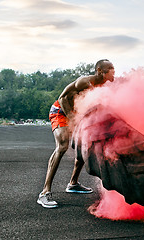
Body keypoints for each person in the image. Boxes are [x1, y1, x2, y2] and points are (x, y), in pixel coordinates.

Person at [37, 59, 115, 208]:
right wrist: (73, 119)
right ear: (100, 71)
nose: (113, 72)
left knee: (84, 144)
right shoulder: (85, 82)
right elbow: (63, 98)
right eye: (111, 68)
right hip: (60, 111)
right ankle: (44, 193)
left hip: (75, 114)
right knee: (63, 146)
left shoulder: (104, 85)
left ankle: (73, 183)